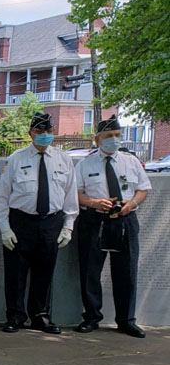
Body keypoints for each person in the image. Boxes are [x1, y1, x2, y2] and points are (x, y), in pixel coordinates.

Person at [0, 112, 78, 334]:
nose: (44, 135)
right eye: (39, 132)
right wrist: (5, 228)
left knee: (45, 272)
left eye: (48, 131)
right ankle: (15, 315)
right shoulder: (16, 159)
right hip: (21, 221)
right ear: (30, 133)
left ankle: (40, 315)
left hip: (51, 222)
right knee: (15, 273)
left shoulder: (64, 160)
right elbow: (2, 197)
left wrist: (68, 226)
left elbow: (71, 196)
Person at [73, 115, 149, 338]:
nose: (113, 140)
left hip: (125, 219)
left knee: (126, 271)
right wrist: (92, 202)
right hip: (95, 219)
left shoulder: (131, 161)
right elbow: (75, 193)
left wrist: (132, 203)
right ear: (97, 139)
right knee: (90, 270)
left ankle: (126, 320)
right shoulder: (85, 164)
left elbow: (143, 189)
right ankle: (91, 317)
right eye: (108, 137)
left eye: (116, 136)